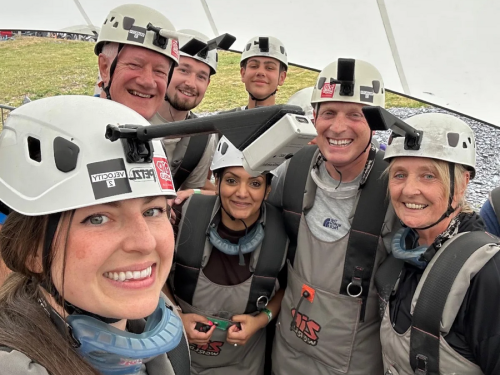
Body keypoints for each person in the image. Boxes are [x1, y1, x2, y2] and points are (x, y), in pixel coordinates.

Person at [0, 95, 190, 375]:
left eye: (153, 211)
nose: (145, 242)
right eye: (98, 218)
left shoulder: (163, 329)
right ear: (32, 252)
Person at [270, 58, 398, 375]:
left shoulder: (393, 188)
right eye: (328, 113)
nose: (337, 127)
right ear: (314, 118)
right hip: (286, 353)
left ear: (375, 122)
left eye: (354, 114)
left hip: (354, 363)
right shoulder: (293, 170)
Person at [374, 110, 500, 374]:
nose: (408, 190)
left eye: (428, 175)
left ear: (462, 183)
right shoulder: (403, 251)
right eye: (399, 175)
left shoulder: (486, 275)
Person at [167, 136, 288, 374]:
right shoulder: (183, 216)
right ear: (217, 181)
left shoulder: (283, 232)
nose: (242, 193)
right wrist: (176, 316)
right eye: (232, 181)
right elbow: (153, 274)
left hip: (243, 365)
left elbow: (288, 288)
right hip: (177, 359)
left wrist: (260, 320)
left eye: (255, 183)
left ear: (268, 190)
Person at [150, 29, 218, 191]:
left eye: (201, 77)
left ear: (207, 84)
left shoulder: (201, 138)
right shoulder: (133, 117)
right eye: (183, 70)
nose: (191, 83)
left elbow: (190, 192)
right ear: (165, 70)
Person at [95, 4, 179, 120]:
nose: (148, 82)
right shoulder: (69, 130)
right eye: (135, 65)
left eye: (160, 71)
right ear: (104, 68)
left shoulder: (162, 137)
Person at [229, 36, 288, 111]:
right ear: (243, 73)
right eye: (254, 66)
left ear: (282, 77)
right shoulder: (223, 121)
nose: (260, 72)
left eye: (269, 68)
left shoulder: (290, 121)